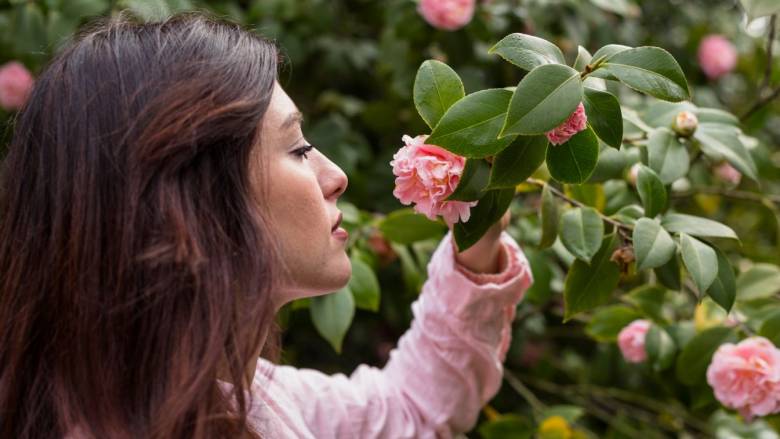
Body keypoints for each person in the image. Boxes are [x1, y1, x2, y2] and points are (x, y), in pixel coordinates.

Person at [0, 12, 532, 439]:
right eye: (299, 148)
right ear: (190, 198)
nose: (337, 176)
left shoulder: (244, 397)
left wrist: (476, 236)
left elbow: (409, 409)